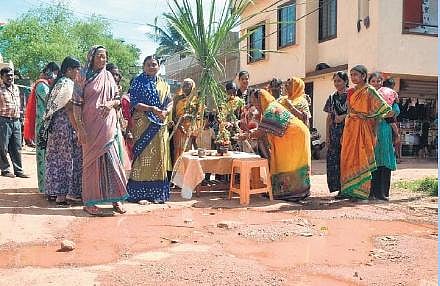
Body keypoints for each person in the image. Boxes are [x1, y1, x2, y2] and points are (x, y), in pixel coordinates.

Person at [72, 45, 128, 216]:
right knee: (91, 165)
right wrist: (80, 129)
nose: (103, 60)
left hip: (108, 126)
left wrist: (110, 104)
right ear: (91, 58)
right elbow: (75, 104)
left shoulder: (109, 76)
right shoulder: (82, 76)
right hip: (89, 127)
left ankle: (116, 199)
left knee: (113, 161)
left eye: (105, 57)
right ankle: (89, 202)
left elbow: (118, 99)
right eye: (99, 57)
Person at [246, 88, 311, 201]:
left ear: (261, 99)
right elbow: (264, 129)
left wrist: (247, 136)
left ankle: (293, 192)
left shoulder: (271, 110)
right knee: (289, 162)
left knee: (291, 163)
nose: (254, 105)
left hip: (295, 136)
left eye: (255, 102)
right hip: (294, 135)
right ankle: (292, 191)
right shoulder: (271, 107)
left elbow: (261, 132)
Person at [340, 65, 391, 201]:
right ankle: (351, 190)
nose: (353, 78)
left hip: (364, 128)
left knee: (363, 157)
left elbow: (382, 109)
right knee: (350, 157)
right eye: (351, 75)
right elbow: (350, 111)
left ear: (363, 76)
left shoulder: (370, 91)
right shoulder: (350, 92)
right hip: (350, 128)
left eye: (356, 75)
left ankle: (364, 192)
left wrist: (368, 118)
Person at [127, 55, 173, 204]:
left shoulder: (164, 84)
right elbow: (134, 102)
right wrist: (151, 108)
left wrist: (166, 111)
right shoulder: (138, 82)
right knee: (142, 156)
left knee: (158, 156)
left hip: (159, 124)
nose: (152, 67)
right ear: (143, 66)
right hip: (143, 124)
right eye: (148, 65)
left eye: (154, 64)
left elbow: (169, 101)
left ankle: (156, 194)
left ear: (159, 67)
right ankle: (138, 193)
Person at [42, 57, 83, 206]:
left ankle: (55, 192)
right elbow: (69, 109)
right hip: (65, 126)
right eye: (77, 69)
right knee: (67, 160)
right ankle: (64, 195)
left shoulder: (58, 83)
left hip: (55, 128)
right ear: (69, 70)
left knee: (55, 159)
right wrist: (77, 128)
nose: (78, 72)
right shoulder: (68, 84)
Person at [24, 62, 60, 192]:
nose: (55, 76)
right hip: (43, 126)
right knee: (42, 155)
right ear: (49, 72)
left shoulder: (46, 85)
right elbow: (50, 101)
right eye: (55, 72)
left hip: (46, 124)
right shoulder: (41, 85)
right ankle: (44, 187)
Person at [368, 72, 400, 200]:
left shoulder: (389, 95)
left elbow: (395, 111)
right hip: (369, 130)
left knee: (384, 160)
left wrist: (382, 114)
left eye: (379, 81)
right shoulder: (365, 96)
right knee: (371, 160)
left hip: (384, 131)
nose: (376, 84)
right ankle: (370, 191)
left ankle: (382, 193)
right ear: (369, 82)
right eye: (373, 81)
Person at [0, 67, 30, 178]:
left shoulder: (16, 88)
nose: (10, 78)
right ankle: (5, 169)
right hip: (3, 121)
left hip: (16, 121)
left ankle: (18, 170)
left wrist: (22, 119)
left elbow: (20, 104)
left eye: (12, 75)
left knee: (17, 147)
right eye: (7, 76)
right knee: (3, 147)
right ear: (2, 77)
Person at [324, 71, 348, 196]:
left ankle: (348, 188)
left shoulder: (352, 95)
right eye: (335, 81)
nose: (337, 83)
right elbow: (329, 117)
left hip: (349, 133)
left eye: (339, 80)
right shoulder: (332, 98)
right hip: (334, 133)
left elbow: (356, 113)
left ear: (345, 81)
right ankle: (339, 189)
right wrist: (327, 136)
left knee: (347, 160)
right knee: (334, 161)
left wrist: (344, 116)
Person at [172, 78, 198, 164]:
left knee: (188, 150)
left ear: (192, 87)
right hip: (178, 128)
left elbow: (198, 115)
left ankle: (188, 171)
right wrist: (178, 124)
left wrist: (188, 116)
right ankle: (178, 171)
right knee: (178, 149)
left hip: (190, 129)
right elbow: (173, 114)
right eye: (184, 85)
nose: (185, 87)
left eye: (188, 85)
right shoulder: (177, 98)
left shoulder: (196, 100)